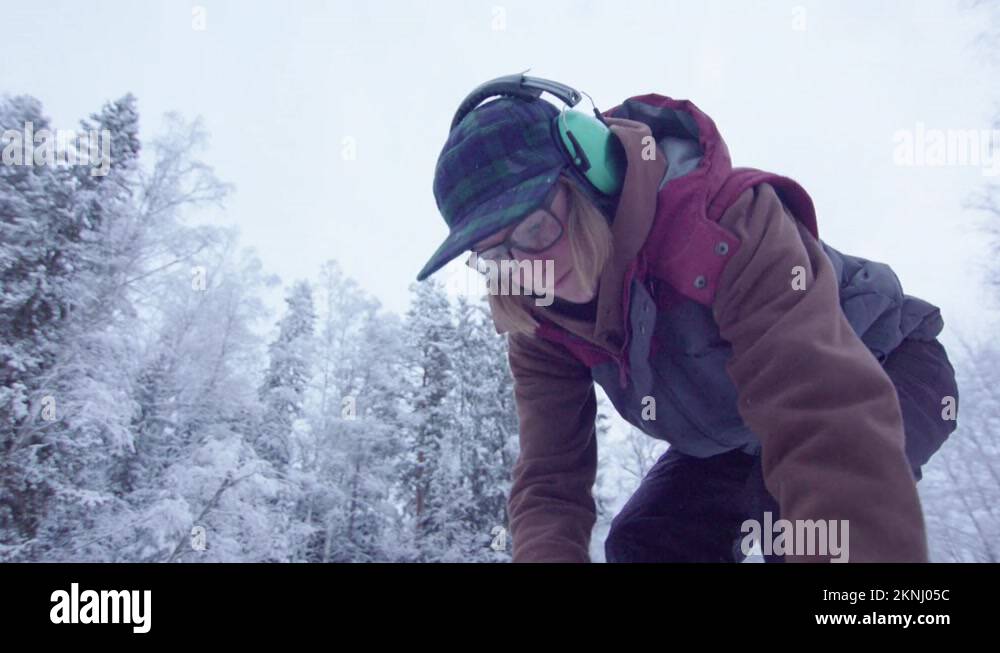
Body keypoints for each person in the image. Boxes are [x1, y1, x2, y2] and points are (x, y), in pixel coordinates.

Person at [416, 76, 959, 563]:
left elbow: (822, 419)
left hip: (882, 364)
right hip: (738, 431)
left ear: (592, 177)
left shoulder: (728, 225)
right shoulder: (541, 322)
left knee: (797, 529)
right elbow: (551, 482)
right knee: (645, 543)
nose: (525, 271)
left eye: (534, 230)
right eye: (497, 256)